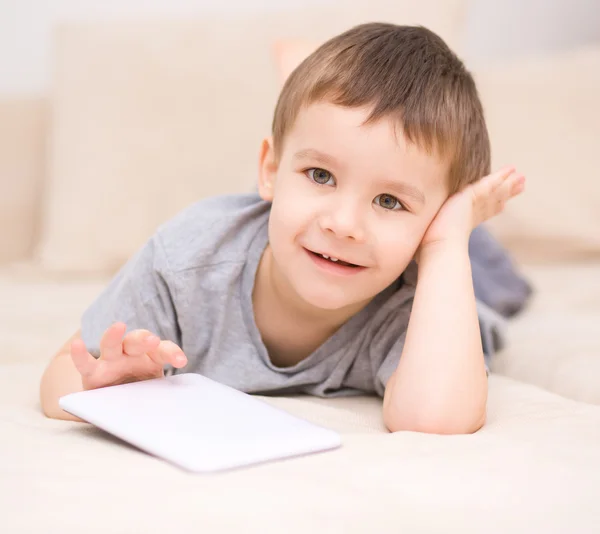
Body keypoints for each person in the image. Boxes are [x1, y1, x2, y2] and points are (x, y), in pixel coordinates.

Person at [40, 22, 528, 434]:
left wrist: (447, 240)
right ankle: (316, 119)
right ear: (268, 169)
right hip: (282, 220)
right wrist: (108, 387)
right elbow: (63, 374)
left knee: (493, 277)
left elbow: (435, 420)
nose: (344, 225)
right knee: (320, 193)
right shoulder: (187, 264)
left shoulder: (415, 297)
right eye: (321, 175)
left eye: (388, 200)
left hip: (445, 267)